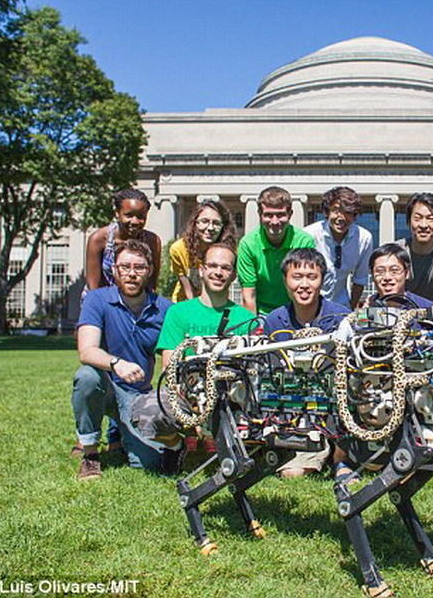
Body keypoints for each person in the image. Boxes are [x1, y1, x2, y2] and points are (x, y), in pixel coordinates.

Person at [131, 241, 258, 458]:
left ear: (233, 275)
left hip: (233, 399)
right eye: (213, 266)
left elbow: (254, 372)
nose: (218, 272)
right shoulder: (179, 312)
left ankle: (226, 439)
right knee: (149, 409)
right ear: (201, 270)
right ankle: (179, 442)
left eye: (225, 268)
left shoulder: (246, 319)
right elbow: (169, 368)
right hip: (188, 395)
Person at [71, 239, 173, 480]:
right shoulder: (97, 299)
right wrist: (117, 364)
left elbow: (172, 359)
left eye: (139, 267)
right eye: (125, 267)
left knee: (151, 464)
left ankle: (124, 436)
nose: (132, 273)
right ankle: (90, 454)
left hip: (139, 396)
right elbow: (86, 351)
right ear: (115, 270)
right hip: (105, 387)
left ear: (149, 271)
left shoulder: (165, 309)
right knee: (86, 377)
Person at [263, 248, 351, 477]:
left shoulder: (341, 318)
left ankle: (341, 460)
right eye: (297, 277)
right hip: (292, 409)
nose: (304, 285)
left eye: (312, 277)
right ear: (285, 280)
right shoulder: (274, 321)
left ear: (322, 280)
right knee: (292, 473)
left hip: (336, 405)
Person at [237, 186, 315, 315]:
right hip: (261, 312)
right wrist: (254, 325)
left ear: (290, 214)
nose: (274, 221)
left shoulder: (304, 242)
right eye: (268, 215)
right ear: (260, 214)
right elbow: (249, 295)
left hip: (295, 310)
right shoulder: (248, 244)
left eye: (280, 215)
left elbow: (305, 286)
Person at [304, 186, 373, 309]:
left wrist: (351, 309)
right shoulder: (309, 235)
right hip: (310, 305)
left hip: (341, 305)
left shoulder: (364, 238)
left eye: (348, 212)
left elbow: (360, 279)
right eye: (336, 210)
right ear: (327, 212)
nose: (341, 217)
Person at [84, 189, 161, 294]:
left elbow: (151, 283)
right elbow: (93, 287)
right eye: (129, 215)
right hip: (101, 298)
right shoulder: (99, 239)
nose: (135, 221)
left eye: (141, 217)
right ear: (117, 213)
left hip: (136, 299)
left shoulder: (152, 241)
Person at [394, 193, 433, 305]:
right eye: (417, 218)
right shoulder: (395, 252)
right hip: (400, 311)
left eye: (430, 219)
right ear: (408, 222)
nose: (423, 225)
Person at [168, 200, 236, 302]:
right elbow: (184, 281)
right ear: (195, 223)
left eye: (216, 223)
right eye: (205, 221)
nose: (210, 228)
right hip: (185, 300)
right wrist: (195, 307)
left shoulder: (228, 252)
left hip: (215, 301)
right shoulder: (178, 249)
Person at [365, 244, 433, 309]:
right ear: (372, 274)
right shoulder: (367, 307)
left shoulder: (427, 308)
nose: (387, 277)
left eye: (394, 271)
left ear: (407, 273)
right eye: (380, 271)